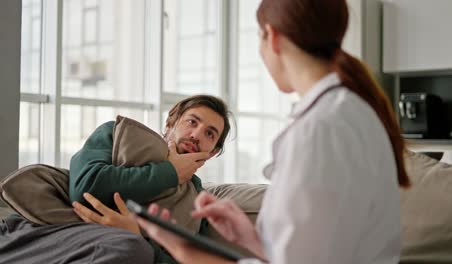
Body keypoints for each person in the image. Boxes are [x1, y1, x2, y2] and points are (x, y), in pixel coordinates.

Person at [127, 0, 411, 263]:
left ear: (272, 37)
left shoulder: (318, 129)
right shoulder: (354, 112)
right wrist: (250, 238)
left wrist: (183, 250)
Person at [70, 94, 232, 263]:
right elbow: (84, 189)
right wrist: (171, 172)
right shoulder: (118, 133)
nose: (196, 135)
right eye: (192, 122)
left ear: (212, 152)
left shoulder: (200, 202)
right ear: (171, 123)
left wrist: (137, 238)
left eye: (209, 134)